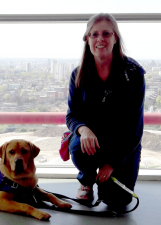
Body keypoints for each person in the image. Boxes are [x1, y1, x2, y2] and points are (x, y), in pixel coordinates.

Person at [66, 13, 145, 211]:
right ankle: (87, 179)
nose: (100, 39)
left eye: (106, 34)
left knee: (117, 201)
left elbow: (135, 129)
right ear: (87, 39)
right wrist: (83, 129)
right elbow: (72, 115)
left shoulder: (133, 73)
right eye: (94, 34)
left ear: (115, 38)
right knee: (77, 146)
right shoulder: (79, 74)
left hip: (122, 145)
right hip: (92, 142)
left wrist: (112, 163)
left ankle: (105, 182)